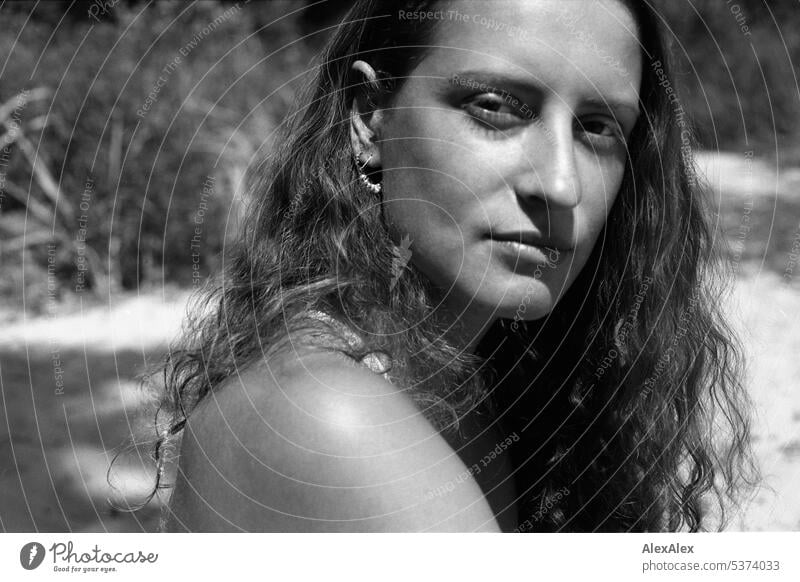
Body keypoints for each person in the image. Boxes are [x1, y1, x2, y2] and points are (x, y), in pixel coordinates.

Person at [152, 0, 757, 532]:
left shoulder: (481, 378)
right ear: (369, 117)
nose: (561, 185)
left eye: (597, 128)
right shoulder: (327, 417)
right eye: (496, 107)